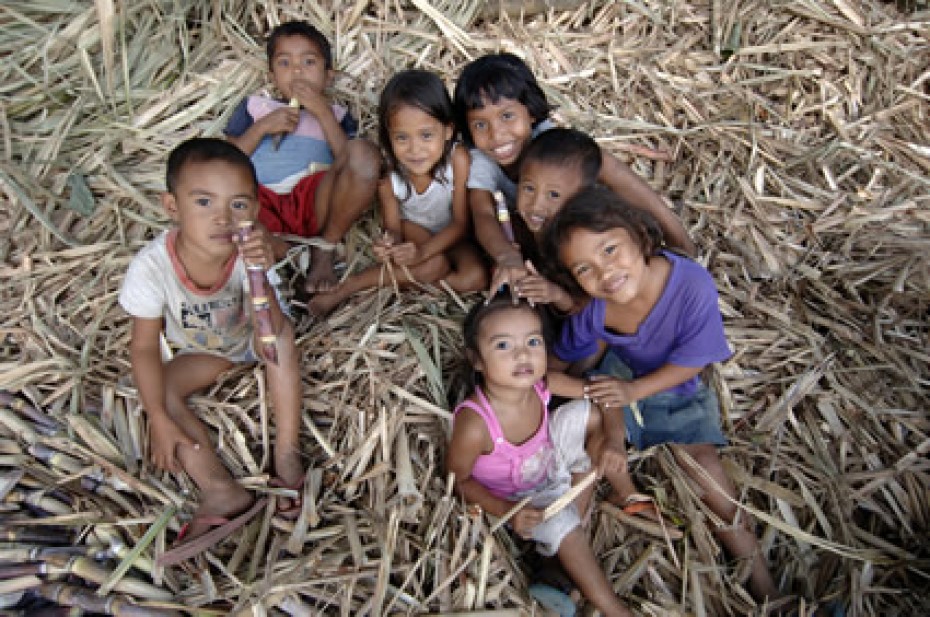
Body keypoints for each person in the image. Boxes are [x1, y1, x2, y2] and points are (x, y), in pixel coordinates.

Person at [542, 185, 780, 603]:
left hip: (674, 391)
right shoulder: (593, 309)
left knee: (707, 473)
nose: (604, 272)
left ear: (638, 233)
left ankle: (766, 588)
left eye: (610, 249)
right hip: (613, 396)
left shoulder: (689, 282)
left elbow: (694, 361)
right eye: (584, 269)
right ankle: (566, 581)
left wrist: (634, 389)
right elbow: (562, 365)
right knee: (584, 468)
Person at [119, 138, 304, 563]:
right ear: (172, 206)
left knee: (281, 338)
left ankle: (287, 452)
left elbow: (270, 323)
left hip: (254, 340)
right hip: (210, 354)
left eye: (238, 205)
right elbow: (145, 347)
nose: (222, 218)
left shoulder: (247, 253)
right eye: (203, 202)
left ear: (255, 211)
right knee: (157, 387)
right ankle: (220, 488)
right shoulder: (151, 267)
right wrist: (159, 418)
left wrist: (258, 266)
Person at [446, 294, 634, 617]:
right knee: (561, 521)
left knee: (587, 413)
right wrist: (507, 510)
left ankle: (627, 496)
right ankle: (613, 608)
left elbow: (606, 395)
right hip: (519, 501)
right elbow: (457, 480)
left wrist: (614, 440)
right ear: (476, 359)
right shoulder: (476, 423)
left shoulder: (542, 384)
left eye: (533, 341)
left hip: (550, 466)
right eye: (503, 346)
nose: (522, 354)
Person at [452, 52, 696, 297]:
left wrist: (680, 241)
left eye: (507, 116)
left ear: (532, 112)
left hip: (580, 224)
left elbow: (623, 180)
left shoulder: (554, 144)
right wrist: (507, 256)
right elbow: (482, 213)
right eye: (480, 125)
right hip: (534, 230)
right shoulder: (482, 159)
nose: (496, 134)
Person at [308, 69, 486, 316]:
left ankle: (395, 285)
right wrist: (388, 243)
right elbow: (394, 227)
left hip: (453, 236)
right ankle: (348, 288)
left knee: (475, 278)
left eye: (426, 135)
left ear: (447, 130)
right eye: (402, 138)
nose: (415, 149)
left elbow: (460, 223)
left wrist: (422, 253)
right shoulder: (390, 177)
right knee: (435, 265)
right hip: (415, 232)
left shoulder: (458, 159)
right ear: (388, 138)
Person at [224, 20, 379, 293]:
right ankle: (288, 263)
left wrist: (322, 112)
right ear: (272, 75)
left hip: (313, 199)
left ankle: (323, 249)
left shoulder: (336, 115)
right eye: (284, 63)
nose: (296, 70)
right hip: (261, 200)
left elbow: (348, 162)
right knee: (231, 208)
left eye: (308, 62)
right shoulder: (256, 108)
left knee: (364, 154)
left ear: (328, 75)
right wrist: (262, 127)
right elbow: (226, 163)